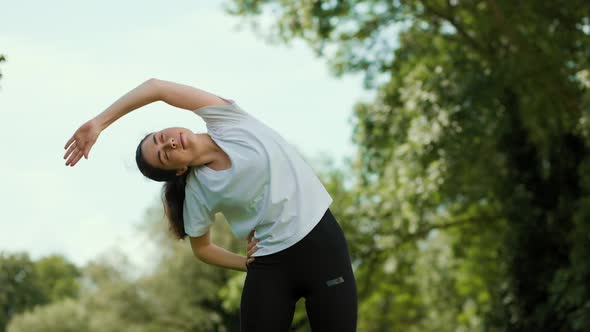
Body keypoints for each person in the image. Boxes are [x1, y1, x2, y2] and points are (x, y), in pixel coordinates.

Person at [64, 78, 358, 331]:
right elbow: (202, 248)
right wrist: (244, 263)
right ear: (179, 171)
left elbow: (156, 87)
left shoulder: (227, 120)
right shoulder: (197, 191)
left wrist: (100, 122)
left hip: (322, 247)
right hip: (271, 266)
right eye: (165, 154)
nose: (169, 143)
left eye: (159, 138)